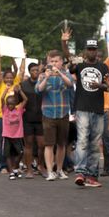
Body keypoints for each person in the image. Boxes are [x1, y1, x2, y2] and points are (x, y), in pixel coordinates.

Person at [71, 39, 109, 188]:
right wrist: (65, 42)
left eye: (94, 49)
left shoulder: (103, 67)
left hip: (98, 109)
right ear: (85, 51)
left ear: (97, 51)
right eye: (89, 49)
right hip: (82, 108)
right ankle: (80, 172)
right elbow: (68, 58)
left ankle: (92, 175)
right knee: (82, 140)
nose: (91, 52)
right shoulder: (79, 66)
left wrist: (99, 85)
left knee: (95, 143)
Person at [36, 50, 74, 181]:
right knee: (49, 144)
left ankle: (59, 170)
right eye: (51, 61)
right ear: (48, 62)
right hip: (48, 113)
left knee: (62, 144)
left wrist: (59, 74)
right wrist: (47, 77)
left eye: (56, 61)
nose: (54, 64)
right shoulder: (42, 75)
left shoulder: (66, 74)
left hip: (63, 112)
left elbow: (70, 85)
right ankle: (50, 171)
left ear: (61, 62)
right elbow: (39, 90)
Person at [0, 51, 26, 173]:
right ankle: (3, 166)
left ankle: (14, 166)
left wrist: (23, 58)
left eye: (11, 77)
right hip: (2, 117)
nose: (9, 79)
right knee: (4, 141)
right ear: (3, 78)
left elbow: (21, 71)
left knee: (16, 142)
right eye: (7, 77)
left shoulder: (16, 84)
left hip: (16, 119)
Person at [21, 63, 46, 178]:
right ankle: (29, 169)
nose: (35, 72)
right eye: (33, 70)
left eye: (37, 70)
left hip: (41, 118)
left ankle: (41, 166)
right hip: (27, 118)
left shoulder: (43, 83)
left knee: (42, 144)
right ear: (29, 71)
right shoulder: (23, 85)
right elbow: (19, 102)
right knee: (28, 145)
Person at [1, 87, 28, 179]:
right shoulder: (5, 110)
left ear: (15, 104)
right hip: (7, 136)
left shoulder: (19, 110)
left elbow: (25, 99)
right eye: (8, 104)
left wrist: (20, 91)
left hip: (17, 136)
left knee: (20, 153)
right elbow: (1, 99)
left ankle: (15, 168)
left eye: (12, 104)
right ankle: (11, 172)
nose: (10, 106)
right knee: (7, 154)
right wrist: (5, 91)